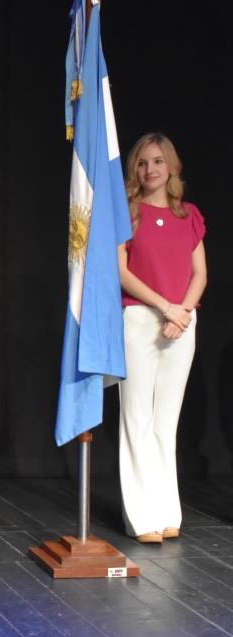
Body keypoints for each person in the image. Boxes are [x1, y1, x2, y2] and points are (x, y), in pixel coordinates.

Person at [117, 132, 207, 544]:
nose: (150, 169)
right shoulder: (128, 213)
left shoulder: (189, 215)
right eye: (142, 163)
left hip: (181, 325)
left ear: (170, 166)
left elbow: (200, 274)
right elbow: (122, 272)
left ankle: (167, 510)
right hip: (139, 319)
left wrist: (182, 312)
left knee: (165, 422)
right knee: (137, 417)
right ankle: (141, 516)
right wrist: (165, 308)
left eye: (157, 161)